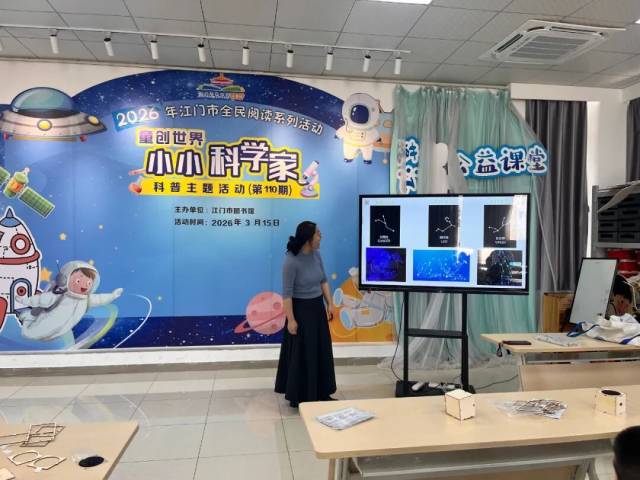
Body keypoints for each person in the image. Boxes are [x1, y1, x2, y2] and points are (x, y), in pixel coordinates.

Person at [275, 221, 337, 408]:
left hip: (317, 308)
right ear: (308, 239)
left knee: (320, 350)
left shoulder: (317, 255)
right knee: (302, 354)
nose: (321, 236)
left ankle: (322, 392)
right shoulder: (291, 261)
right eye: (318, 234)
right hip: (300, 312)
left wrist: (330, 303)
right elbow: (287, 294)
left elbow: (323, 280)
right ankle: (300, 396)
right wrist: (291, 320)